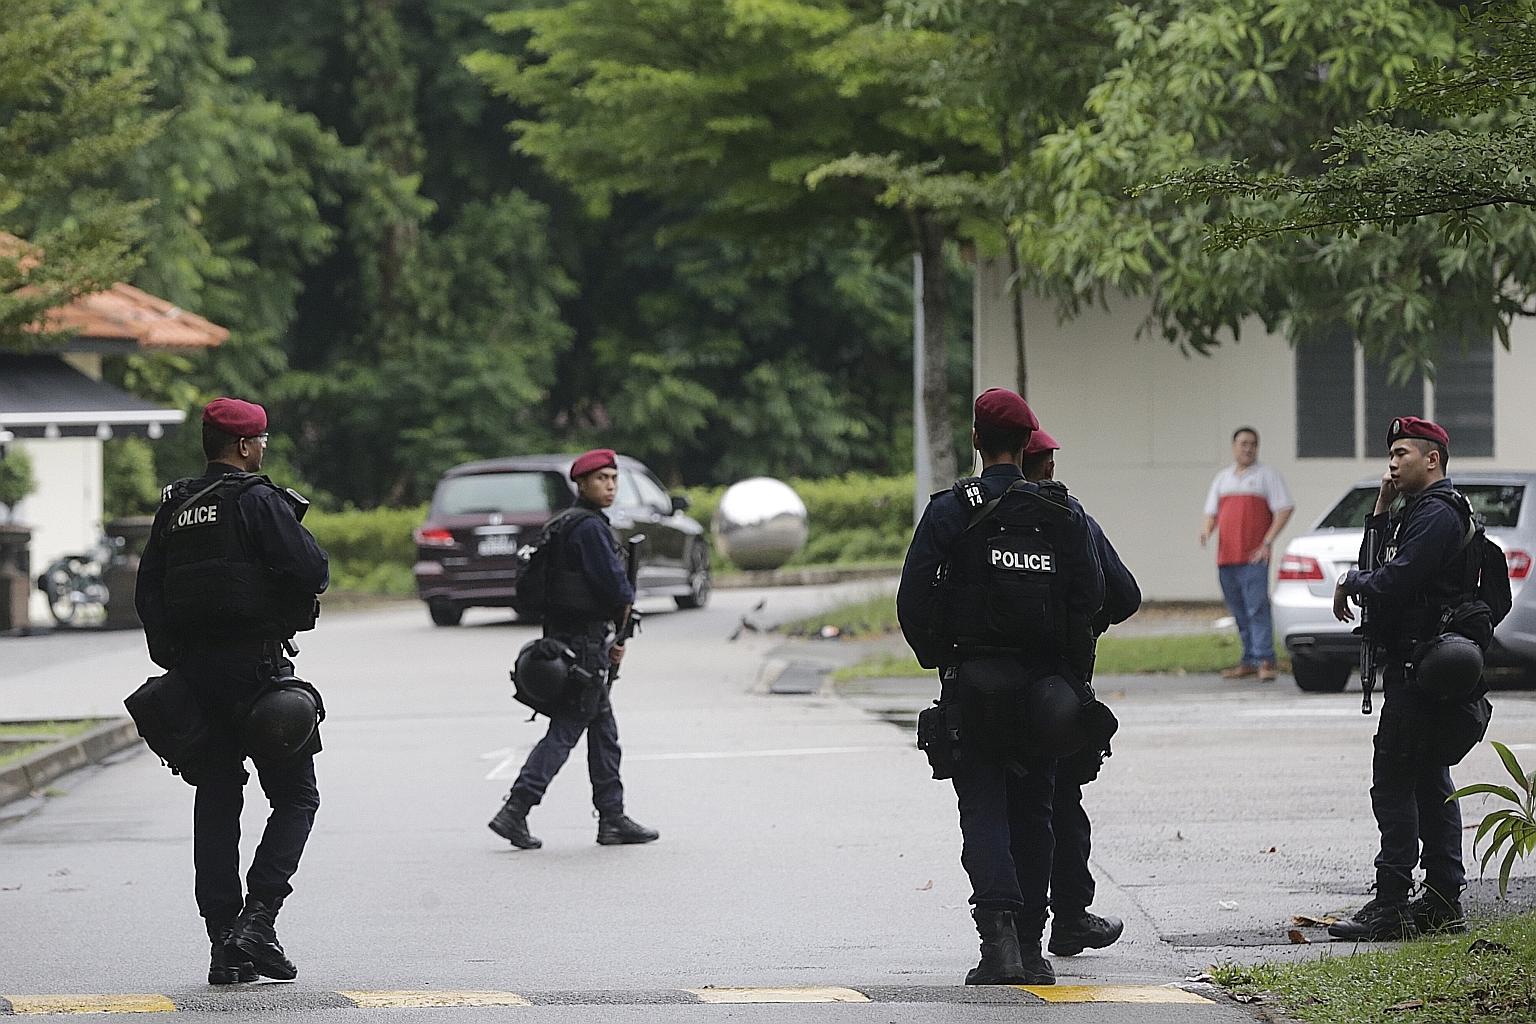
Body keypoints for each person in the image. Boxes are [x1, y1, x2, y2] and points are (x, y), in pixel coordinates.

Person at [898, 389, 1104, 986]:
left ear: (976, 440)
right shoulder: (1061, 514)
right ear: (1027, 442)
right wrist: (1070, 679)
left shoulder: (951, 510)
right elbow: (1090, 598)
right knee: (1036, 811)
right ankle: (1033, 951)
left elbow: (913, 599)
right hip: (1045, 692)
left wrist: (942, 656)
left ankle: (1000, 947)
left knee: (984, 807)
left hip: (974, 685)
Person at [135, 397, 329, 984]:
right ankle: (258, 920)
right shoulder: (257, 500)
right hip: (257, 673)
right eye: (261, 440)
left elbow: (148, 593)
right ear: (244, 446)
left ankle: (224, 943)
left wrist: (177, 660)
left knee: (217, 799)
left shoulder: (175, 505)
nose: (263, 448)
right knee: (296, 797)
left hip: (195, 679)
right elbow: (312, 570)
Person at [1328, 416, 1478, 940]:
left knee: (1394, 784)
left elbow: (1396, 578)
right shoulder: (1414, 511)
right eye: (1390, 455)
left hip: (1424, 669)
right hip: (1415, 665)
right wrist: (1379, 510)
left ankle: (1391, 905)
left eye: (1401, 454)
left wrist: (1351, 581)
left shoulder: (1437, 513)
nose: (1391, 464)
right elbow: (1379, 563)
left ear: (1432, 458)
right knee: (1430, 783)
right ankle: (1441, 901)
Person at [489, 449, 658, 850]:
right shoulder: (590, 529)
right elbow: (615, 588)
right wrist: (617, 632)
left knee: (604, 732)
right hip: (585, 647)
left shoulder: (563, 524)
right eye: (601, 479)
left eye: (613, 479)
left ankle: (612, 817)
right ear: (581, 484)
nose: (610, 486)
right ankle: (516, 809)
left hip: (565, 641)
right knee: (566, 730)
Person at [1020, 428, 1141, 958]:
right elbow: (1125, 594)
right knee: (1061, 801)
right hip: (1059, 692)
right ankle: (1069, 916)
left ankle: (1009, 925)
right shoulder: (1071, 519)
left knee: (995, 803)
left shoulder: (966, 516)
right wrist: (1085, 625)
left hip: (986, 686)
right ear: (1046, 465)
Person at [1199, 427, 1294, 681]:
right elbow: (1211, 513)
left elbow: (1284, 508)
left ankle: (1265, 660)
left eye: (1252, 444)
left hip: (1254, 557)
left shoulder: (1267, 476)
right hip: (1227, 556)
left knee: (1257, 608)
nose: (1248, 449)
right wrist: (1206, 531)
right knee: (1239, 610)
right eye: (1243, 444)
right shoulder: (1223, 479)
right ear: (1234, 447)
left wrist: (1267, 542)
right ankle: (1249, 659)